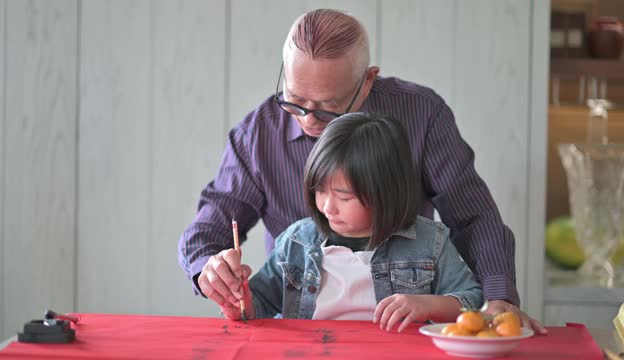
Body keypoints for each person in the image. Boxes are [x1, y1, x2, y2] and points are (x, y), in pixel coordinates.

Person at [178, 8, 546, 333]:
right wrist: (211, 270)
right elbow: (209, 228)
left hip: (401, 329)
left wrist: (499, 300)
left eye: (327, 107)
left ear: (368, 80)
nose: (307, 120)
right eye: (295, 101)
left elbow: (473, 218)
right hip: (302, 330)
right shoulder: (258, 133)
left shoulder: (422, 115)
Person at [209, 113, 483, 332]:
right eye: (320, 190)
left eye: (344, 196)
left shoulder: (428, 242)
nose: (327, 206)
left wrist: (428, 305)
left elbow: (473, 301)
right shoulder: (297, 242)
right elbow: (258, 305)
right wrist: (237, 299)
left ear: (386, 192)